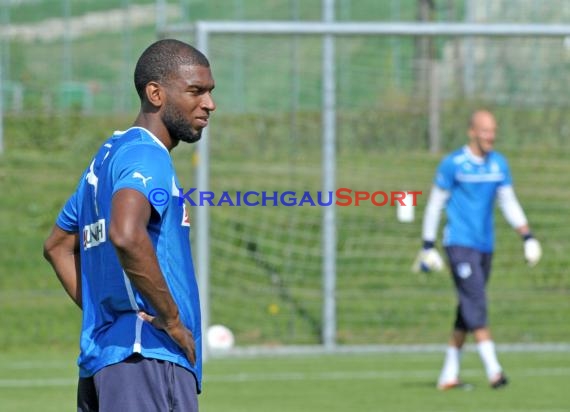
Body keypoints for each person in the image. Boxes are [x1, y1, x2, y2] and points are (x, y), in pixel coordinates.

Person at [43, 39, 216, 411]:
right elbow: (125, 233)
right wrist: (171, 320)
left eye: (210, 92)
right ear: (156, 93)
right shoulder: (145, 154)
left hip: (106, 360)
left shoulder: (107, 158)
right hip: (147, 357)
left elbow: (58, 246)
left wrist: (104, 312)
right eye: (196, 91)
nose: (209, 104)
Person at [414, 109, 542, 390]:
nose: (490, 136)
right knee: (477, 302)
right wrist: (427, 245)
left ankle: (448, 375)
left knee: (467, 307)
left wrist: (527, 236)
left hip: (486, 245)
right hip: (458, 243)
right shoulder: (453, 164)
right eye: (485, 130)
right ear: (472, 132)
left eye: (493, 131)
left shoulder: (499, 165)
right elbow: (435, 204)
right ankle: (495, 372)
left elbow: (508, 202)